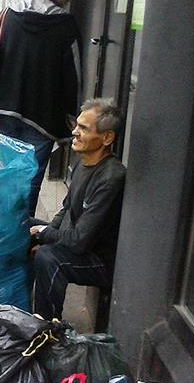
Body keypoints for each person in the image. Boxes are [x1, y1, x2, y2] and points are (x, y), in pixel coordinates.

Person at [0, 0, 81, 216]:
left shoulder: (9, 14)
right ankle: (20, 234)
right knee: (31, 178)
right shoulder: (66, 24)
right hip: (45, 115)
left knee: (1, 172)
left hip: (4, 107)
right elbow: (73, 75)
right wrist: (72, 114)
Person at [30, 98, 125, 321]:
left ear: (107, 138)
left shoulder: (112, 177)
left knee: (48, 258)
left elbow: (80, 240)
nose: (74, 132)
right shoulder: (83, 163)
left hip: (100, 260)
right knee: (21, 225)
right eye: (76, 125)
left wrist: (43, 236)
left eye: (83, 128)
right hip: (79, 243)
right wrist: (43, 233)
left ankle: (48, 330)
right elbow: (65, 210)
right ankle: (18, 303)